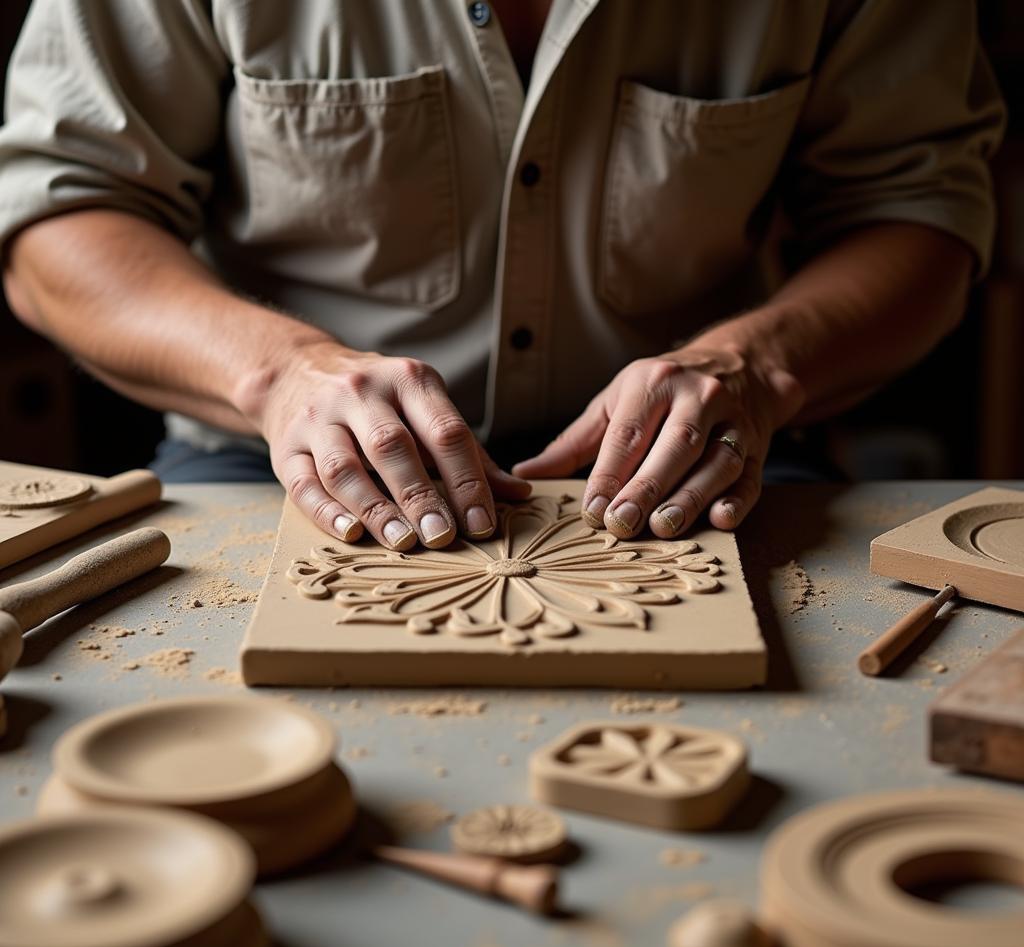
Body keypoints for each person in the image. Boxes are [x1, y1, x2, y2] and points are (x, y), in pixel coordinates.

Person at [0, 1, 1004, 551]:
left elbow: (917, 212)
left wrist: (756, 365)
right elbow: (59, 216)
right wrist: (280, 375)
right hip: (265, 454)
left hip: (695, 454)